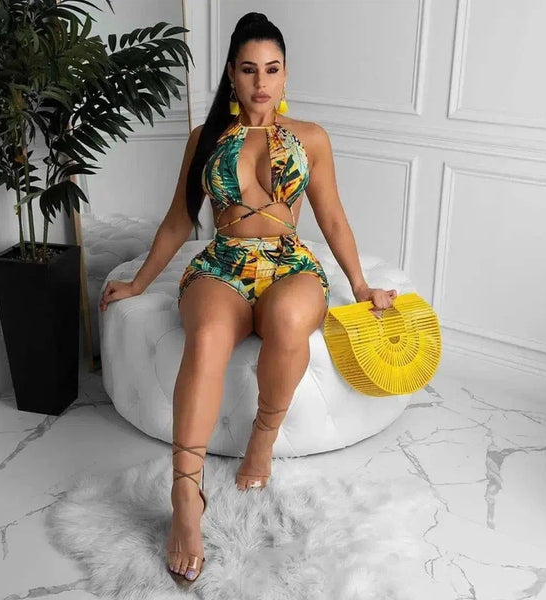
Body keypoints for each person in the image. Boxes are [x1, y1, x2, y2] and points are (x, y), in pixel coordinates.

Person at [99, 11, 396, 586]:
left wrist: (360, 286)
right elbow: (179, 220)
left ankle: (263, 437)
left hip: (290, 264)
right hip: (223, 265)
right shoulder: (205, 139)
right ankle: (186, 494)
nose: (262, 82)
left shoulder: (311, 138)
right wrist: (138, 284)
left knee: (288, 318)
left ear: (286, 74)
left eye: (272, 69)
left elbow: (332, 218)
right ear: (231, 75)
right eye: (249, 69)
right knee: (208, 335)